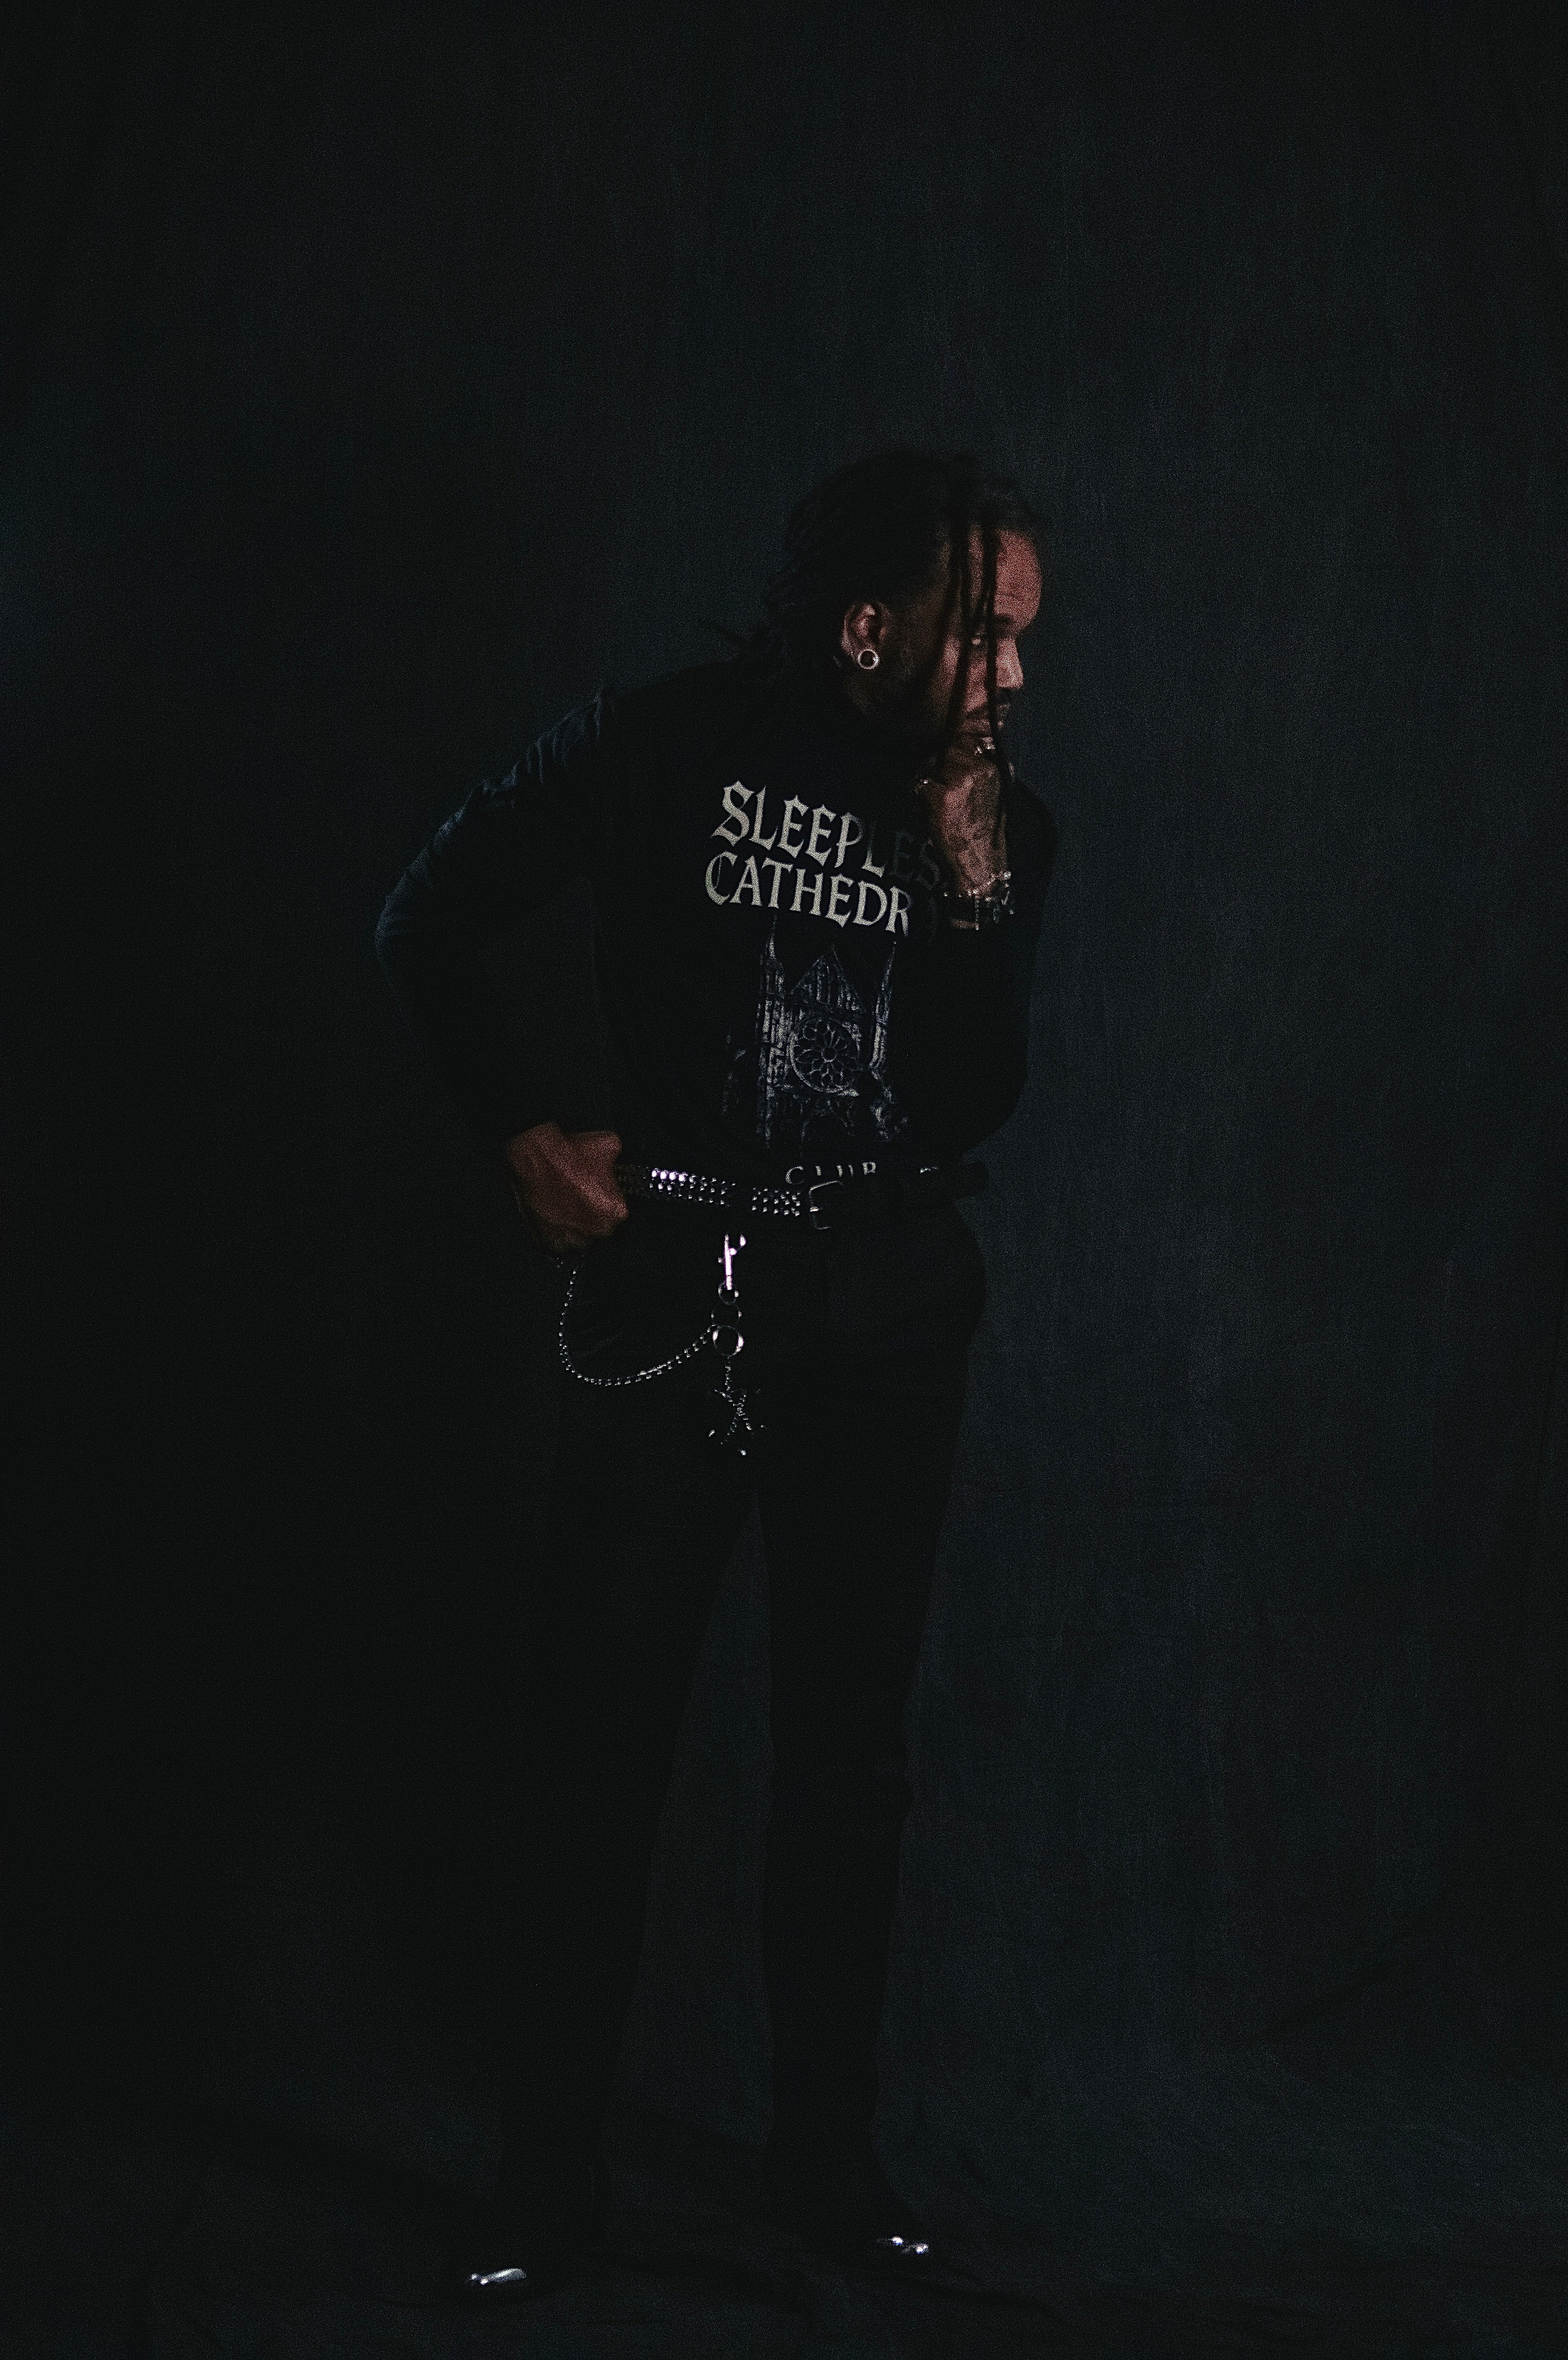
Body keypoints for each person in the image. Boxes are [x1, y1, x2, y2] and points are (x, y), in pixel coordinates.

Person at [376, 448, 1054, 2300]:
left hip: (890, 1317)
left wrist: (983, 896)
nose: (1011, 677)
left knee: (850, 1764)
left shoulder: (991, 817)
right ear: (871, 625)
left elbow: (983, 1090)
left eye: (1020, 647)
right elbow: (422, 914)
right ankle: (545, 2187)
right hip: (683, 1290)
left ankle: (823, 2170)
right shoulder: (655, 748)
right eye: (987, 637)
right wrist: (520, 1133)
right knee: (599, 1751)